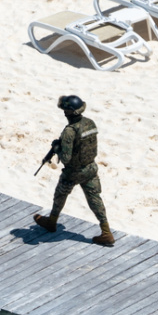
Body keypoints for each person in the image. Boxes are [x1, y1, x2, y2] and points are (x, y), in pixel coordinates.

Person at [32, 96, 116, 246]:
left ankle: (52, 221)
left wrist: (58, 148)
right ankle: (106, 232)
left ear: (67, 112)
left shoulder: (69, 131)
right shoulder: (90, 123)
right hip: (90, 168)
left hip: (73, 172)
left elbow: (66, 158)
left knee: (60, 195)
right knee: (95, 199)